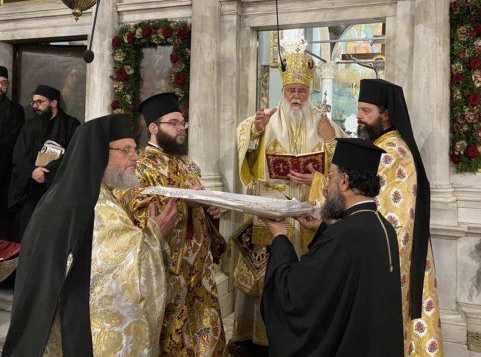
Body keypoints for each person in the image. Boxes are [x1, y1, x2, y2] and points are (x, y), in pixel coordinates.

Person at [2, 114, 169, 357]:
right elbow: (121, 269)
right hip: (80, 328)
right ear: (98, 153)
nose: (135, 157)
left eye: (135, 149)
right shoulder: (96, 204)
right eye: (125, 150)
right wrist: (155, 234)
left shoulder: (76, 193)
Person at [231, 49, 345, 354]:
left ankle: (301, 339)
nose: (296, 96)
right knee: (267, 276)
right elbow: (245, 151)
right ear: (283, 91)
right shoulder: (264, 121)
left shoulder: (325, 124)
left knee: (306, 281)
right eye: (291, 90)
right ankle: (259, 339)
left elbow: (343, 171)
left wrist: (318, 171)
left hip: (309, 214)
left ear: (310, 92)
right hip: (273, 214)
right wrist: (255, 131)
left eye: (302, 91)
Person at [260, 138, 404, 357]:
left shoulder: (343, 235)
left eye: (329, 177)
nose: (325, 187)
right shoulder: (383, 227)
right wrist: (321, 229)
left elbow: (294, 295)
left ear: (344, 181)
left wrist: (279, 235)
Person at [118, 92, 226, 356]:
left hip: (199, 268)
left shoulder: (188, 165)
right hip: (169, 268)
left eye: (182, 123)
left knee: (205, 334)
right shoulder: (141, 166)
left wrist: (211, 209)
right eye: (174, 123)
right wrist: (183, 201)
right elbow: (133, 210)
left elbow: (200, 205)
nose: (181, 129)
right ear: (154, 128)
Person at [357, 78, 444, 356]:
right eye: (358, 109)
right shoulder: (382, 145)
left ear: (386, 114)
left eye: (366, 111)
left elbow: (359, 196)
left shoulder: (391, 152)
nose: (359, 117)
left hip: (392, 255)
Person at [7, 84, 80, 241]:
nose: (35, 106)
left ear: (54, 103)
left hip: (56, 187)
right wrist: (32, 171)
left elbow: (74, 155)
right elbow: (19, 155)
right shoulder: (29, 125)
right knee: (28, 232)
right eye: (33, 102)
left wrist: (48, 173)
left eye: (40, 102)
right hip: (30, 187)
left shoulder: (71, 125)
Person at [0, 66, 24, 241]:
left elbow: (13, 137)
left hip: (4, 170)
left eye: (3, 83)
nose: (0, 87)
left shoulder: (15, 110)